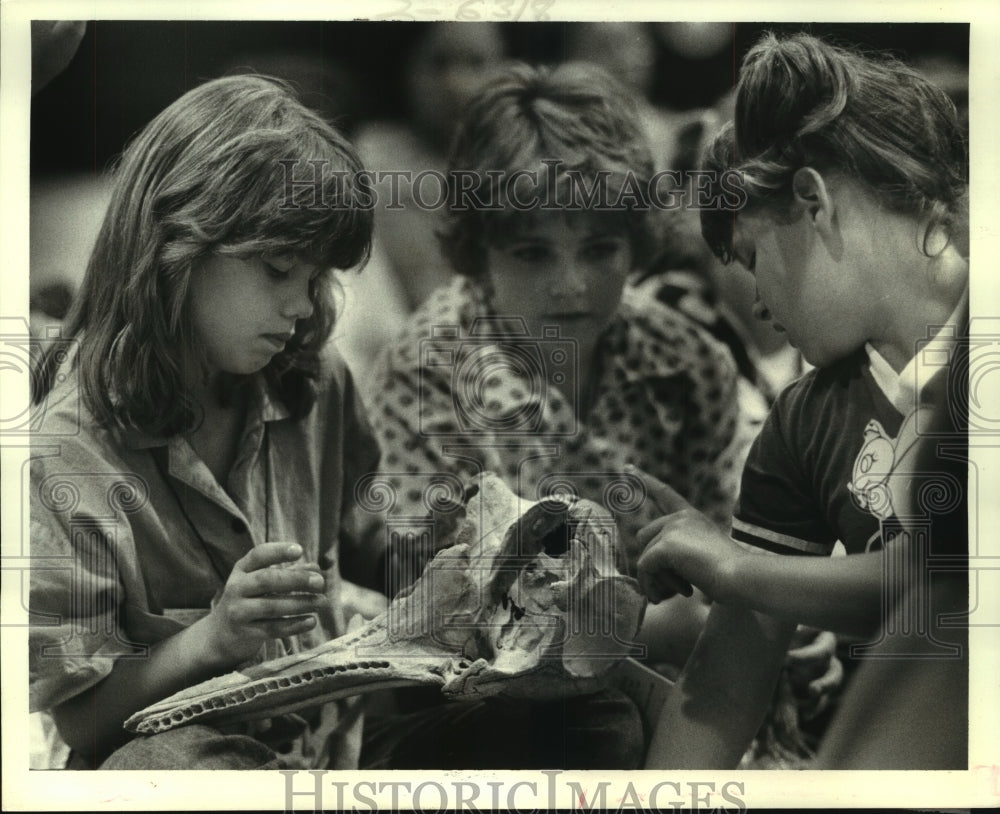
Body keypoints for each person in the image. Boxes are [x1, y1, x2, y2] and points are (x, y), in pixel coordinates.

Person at [364, 60, 839, 768]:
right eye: (531, 252)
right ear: (478, 251)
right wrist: (648, 631)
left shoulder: (688, 362)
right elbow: (439, 615)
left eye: (600, 248)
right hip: (491, 718)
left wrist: (779, 619)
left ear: (638, 241)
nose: (570, 284)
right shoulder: (427, 371)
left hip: (692, 703)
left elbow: (732, 553)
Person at [634, 32, 969, 768]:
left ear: (812, 202)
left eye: (754, 258)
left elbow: (961, 583)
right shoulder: (804, 419)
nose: (756, 301)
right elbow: (724, 688)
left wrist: (740, 569)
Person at [28, 75, 381, 770]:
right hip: (182, 759)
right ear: (175, 250)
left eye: (314, 280)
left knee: (584, 720)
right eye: (278, 269)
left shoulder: (314, 379)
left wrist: (476, 560)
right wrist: (215, 636)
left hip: (334, 729)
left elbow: (367, 532)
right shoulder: (66, 454)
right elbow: (84, 724)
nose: (303, 308)